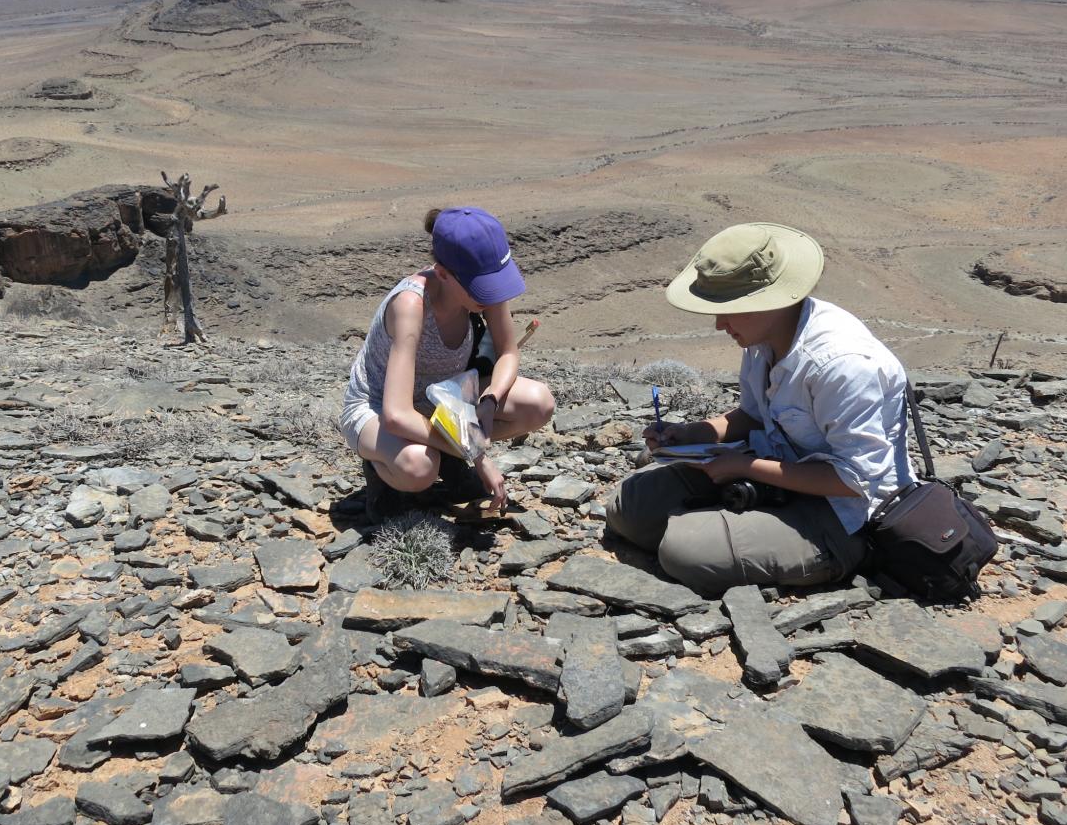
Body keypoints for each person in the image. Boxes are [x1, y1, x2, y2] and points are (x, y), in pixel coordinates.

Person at [605, 222, 914, 595]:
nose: (720, 325)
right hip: (775, 473)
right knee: (630, 508)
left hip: (843, 514)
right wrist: (693, 433)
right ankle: (740, 530)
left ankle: (844, 557)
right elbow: (754, 416)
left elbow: (854, 480)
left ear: (771, 301)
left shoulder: (841, 364)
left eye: (729, 310)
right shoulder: (762, 339)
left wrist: (742, 467)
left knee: (683, 552)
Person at [338, 206, 555, 521]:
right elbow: (397, 415)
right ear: (442, 273)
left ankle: (447, 454)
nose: (492, 294)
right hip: (379, 408)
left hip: (445, 397)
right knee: (418, 466)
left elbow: (508, 352)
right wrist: (477, 454)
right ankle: (382, 471)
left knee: (539, 403)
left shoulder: (481, 289)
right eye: (482, 286)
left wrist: (490, 402)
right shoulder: (411, 305)